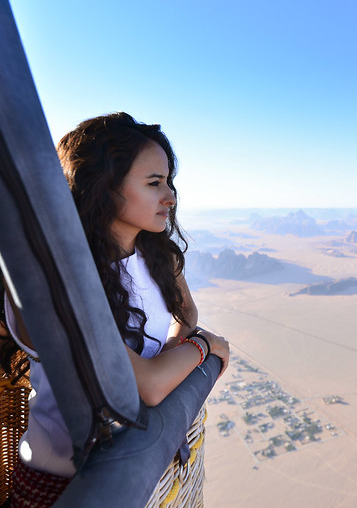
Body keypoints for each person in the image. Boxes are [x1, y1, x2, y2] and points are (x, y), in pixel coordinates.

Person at [0, 112, 229, 507]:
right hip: (64, 486)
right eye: (155, 183)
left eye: (169, 181)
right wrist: (206, 348)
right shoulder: (57, 280)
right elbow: (148, 387)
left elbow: (185, 312)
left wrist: (178, 345)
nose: (170, 196)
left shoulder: (155, 255)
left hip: (150, 476)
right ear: (102, 187)